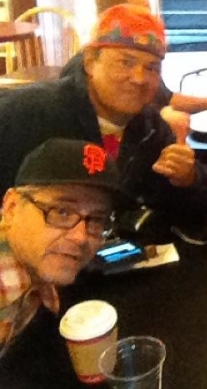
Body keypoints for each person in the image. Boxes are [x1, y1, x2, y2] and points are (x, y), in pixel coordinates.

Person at [0, 4, 207, 238]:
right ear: (90, 62)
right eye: (125, 62)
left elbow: (204, 207)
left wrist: (189, 178)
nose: (139, 78)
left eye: (151, 68)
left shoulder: (150, 129)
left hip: (106, 253)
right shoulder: (26, 113)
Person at [0, 138, 119, 358]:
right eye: (62, 211)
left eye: (96, 219)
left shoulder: (38, 263)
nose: (80, 237)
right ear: (11, 207)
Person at [62, 0, 207, 116]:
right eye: (140, 13)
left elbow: (166, 100)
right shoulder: (73, 81)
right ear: (91, 62)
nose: (138, 79)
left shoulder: (145, 61)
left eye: (149, 12)